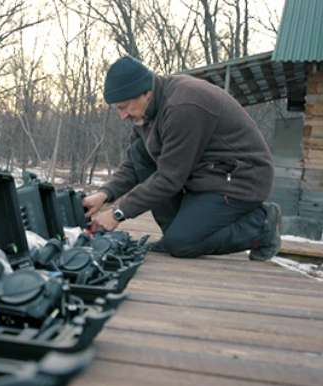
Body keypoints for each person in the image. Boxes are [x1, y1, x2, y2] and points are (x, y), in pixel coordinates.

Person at [84, 55, 281, 260]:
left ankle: (261, 226)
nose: (122, 115)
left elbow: (170, 179)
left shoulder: (183, 106)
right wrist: (105, 194)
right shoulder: (146, 113)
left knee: (182, 244)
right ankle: (175, 234)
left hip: (239, 179)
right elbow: (136, 163)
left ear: (146, 93)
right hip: (204, 176)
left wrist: (118, 213)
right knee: (139, 155)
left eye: (124, 107)